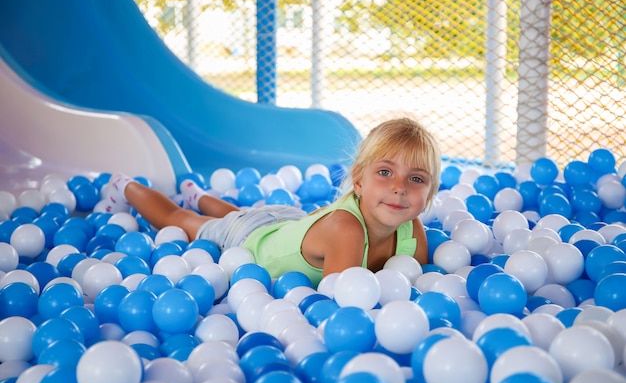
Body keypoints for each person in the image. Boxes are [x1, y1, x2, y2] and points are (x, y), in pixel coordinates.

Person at [102, 117, 441, 286]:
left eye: (416, 179)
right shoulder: (347, 230)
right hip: (251, 240)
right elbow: (343, 300)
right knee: (180, 219)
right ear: (358, 181)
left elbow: (418, 278)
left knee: (239, 213)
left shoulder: (411, 228)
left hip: (290, 223)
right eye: (385, 172)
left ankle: (200, 194)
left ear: (429, 193)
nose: (400, 188)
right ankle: (124, 185)